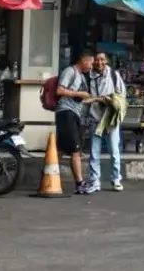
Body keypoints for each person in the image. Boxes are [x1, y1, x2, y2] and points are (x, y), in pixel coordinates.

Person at [85, 52, 127, 193]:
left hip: (111, 119)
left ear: (106, 61)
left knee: (114, 151)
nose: (99, 62)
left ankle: (116, 179)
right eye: (96, 60)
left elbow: (122, 95)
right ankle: (94, 181)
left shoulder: (114, 75)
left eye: (102, 59)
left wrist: (102, 99)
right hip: (94, 118)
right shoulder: (88, 76)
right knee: (94, 152)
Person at [56, 51, 96, 195]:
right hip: (66, 112)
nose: (91, 66)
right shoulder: (70, 71)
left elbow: (82, 98)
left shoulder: (81, 77)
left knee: (61, 148)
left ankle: (48, 174)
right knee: (75, 150)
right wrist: (79, 94)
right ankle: (80, 183)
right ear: (84, 60)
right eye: (91, 62)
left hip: (74, 113)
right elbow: (60, 90)